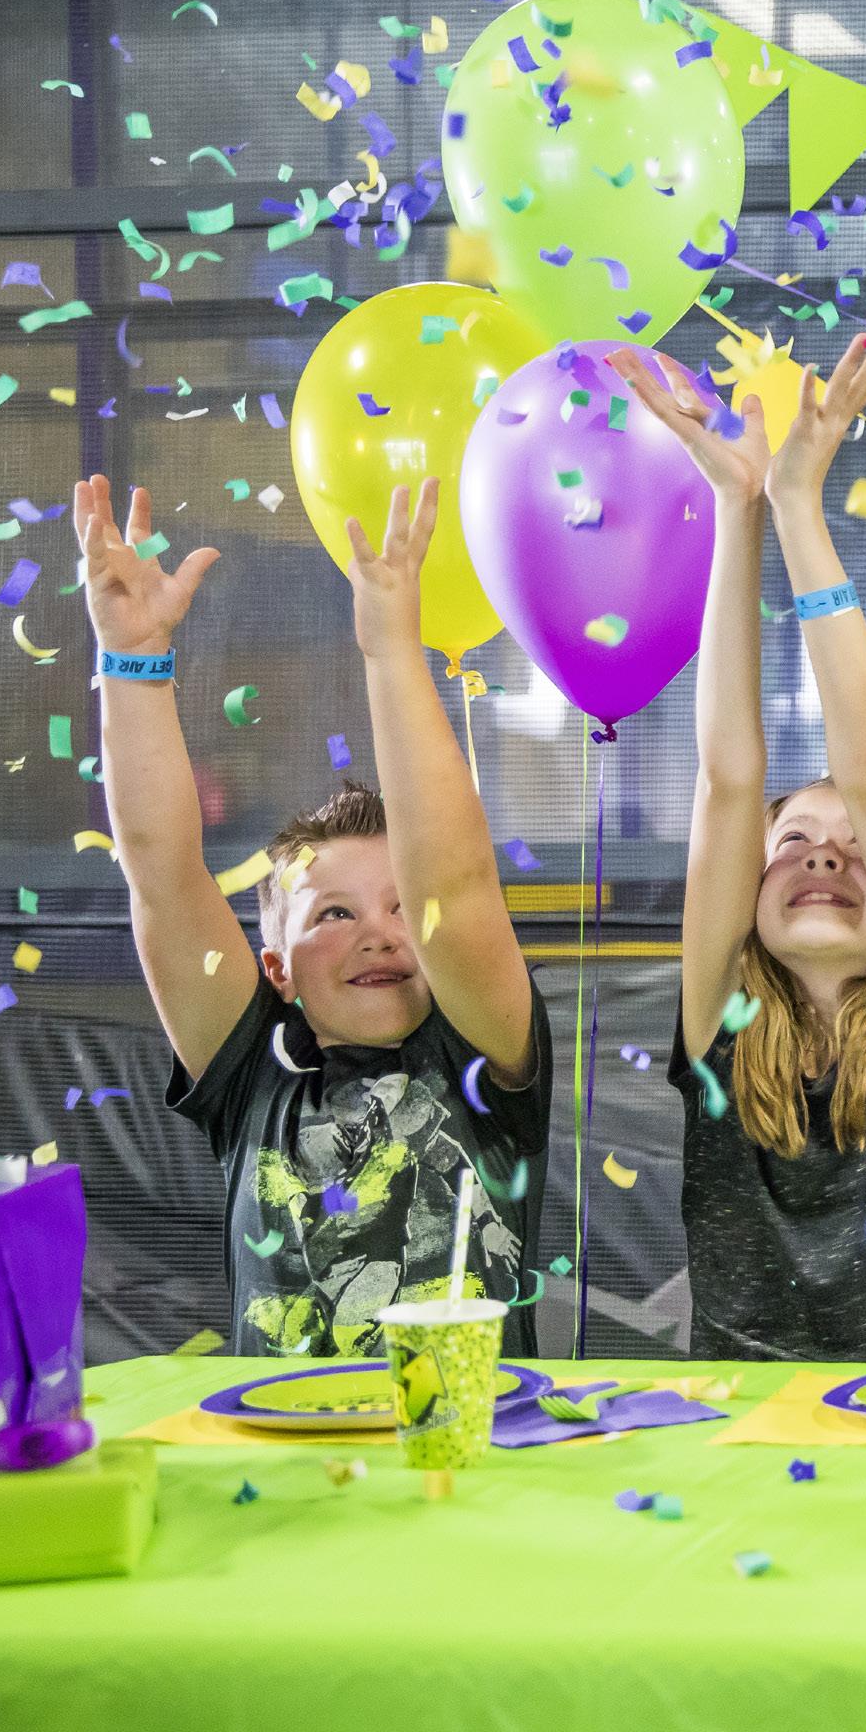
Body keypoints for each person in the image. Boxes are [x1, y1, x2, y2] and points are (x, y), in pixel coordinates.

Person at [77, 475, 552, 1357]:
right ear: (278, 968)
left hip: (471, 1441)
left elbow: (457, 879)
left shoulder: (481, 1058)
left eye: (404, 906)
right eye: (334, 911)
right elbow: (162, 874)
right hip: (283, 1443)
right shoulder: (254, 1076)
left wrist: (391, 649)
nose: (378, 931)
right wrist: (132, 657)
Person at [617, 334, 866, 1364]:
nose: (824, 857)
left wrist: (798, 507)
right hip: (739, 1434)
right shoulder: (720, 1023)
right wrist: (737, 509)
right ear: (748, 890)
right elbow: (728, 777)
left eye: (856, 847)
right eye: (793, 842)